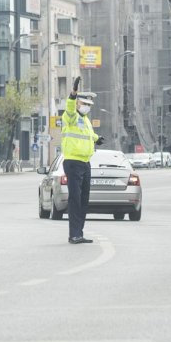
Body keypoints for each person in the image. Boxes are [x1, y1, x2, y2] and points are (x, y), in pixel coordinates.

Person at [61, 76, 103, 244]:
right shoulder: (70, 116)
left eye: (89, 106)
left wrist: (97, 138)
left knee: (84, 200)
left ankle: (79, 232)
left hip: (85, 163)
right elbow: (70, 108)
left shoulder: (85, 121)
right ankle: (74, 234)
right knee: (75, 199)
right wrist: (73, 93)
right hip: (73, 162)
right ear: (78, 103)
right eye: (85, 104)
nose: (87, 107)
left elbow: (87, 135)